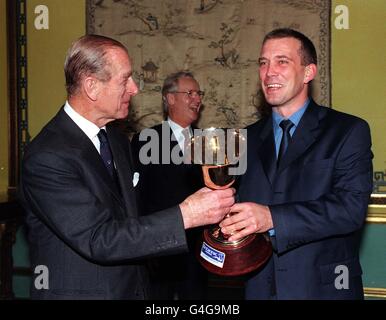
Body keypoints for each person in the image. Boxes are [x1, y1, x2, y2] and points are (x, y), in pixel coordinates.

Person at [19, 35, 235, 300]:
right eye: (125, 79)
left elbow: (130, 218)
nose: (134, 88)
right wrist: (186, 215)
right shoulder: (48, 156)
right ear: (92, 87)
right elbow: (98, 238)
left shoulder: (116, 139)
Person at [220, 28, 373, 300]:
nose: (269, 72)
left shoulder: (348, 131)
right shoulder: (244, 139)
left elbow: (349, 209)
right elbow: (236, 206)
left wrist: (271, 218)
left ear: (308, 72)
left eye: (282, 61)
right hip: (259, 289)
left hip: (324, 290)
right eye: (263, 63)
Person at [131, 71, 208, 299]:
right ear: (171, 98)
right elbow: (137, 196)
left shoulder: (208, 142)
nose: (197, 99)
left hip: (198, 252)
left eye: (199, 94)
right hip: (157, 251)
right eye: (190, 93)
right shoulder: (147, 139)